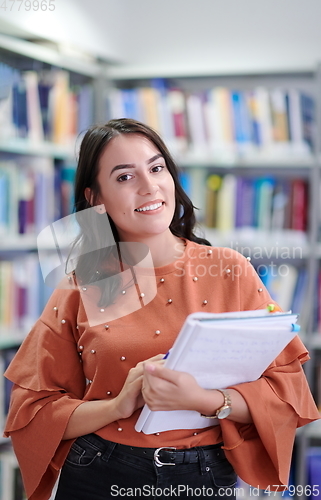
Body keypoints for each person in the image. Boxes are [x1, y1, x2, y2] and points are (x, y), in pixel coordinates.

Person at [4, 118, 320, 500]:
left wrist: (202, 400)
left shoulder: (229, 269)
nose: (149, 186)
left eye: (156, 168)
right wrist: (117, 405)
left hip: (201, 477)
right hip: (97, 472)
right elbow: (33, 412)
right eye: (124, 177)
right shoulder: (81, 284)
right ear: (96, 199)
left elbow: (285, 394)